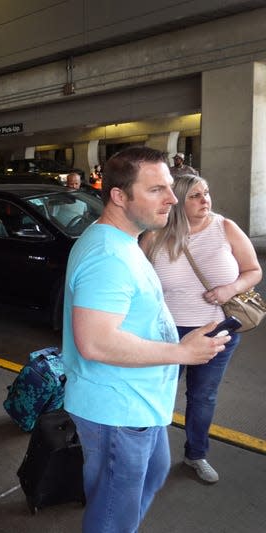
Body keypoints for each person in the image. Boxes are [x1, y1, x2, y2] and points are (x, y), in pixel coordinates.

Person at [61, 146, 229, 532]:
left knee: (150, 478)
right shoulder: (107, 256)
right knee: (113, 512)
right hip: (116, 410)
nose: (172, 198)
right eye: (156, 190)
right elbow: (96, 343)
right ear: (119, 196)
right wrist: (182, 351)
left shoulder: (126, 240)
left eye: (170, 187)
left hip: (139, 404)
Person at [140, 174, 261, 484]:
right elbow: (138, 285)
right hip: (167, 334)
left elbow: (253, 270)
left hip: (218, 331)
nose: (205, 200)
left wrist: (230, 288)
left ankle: (196, 454)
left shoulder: (226, 228)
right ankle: (147, 454)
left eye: (206, 193)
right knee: (156, 395)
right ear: (178, 200)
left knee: (202, 397)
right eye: (195, 195)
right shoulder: (154, 236)